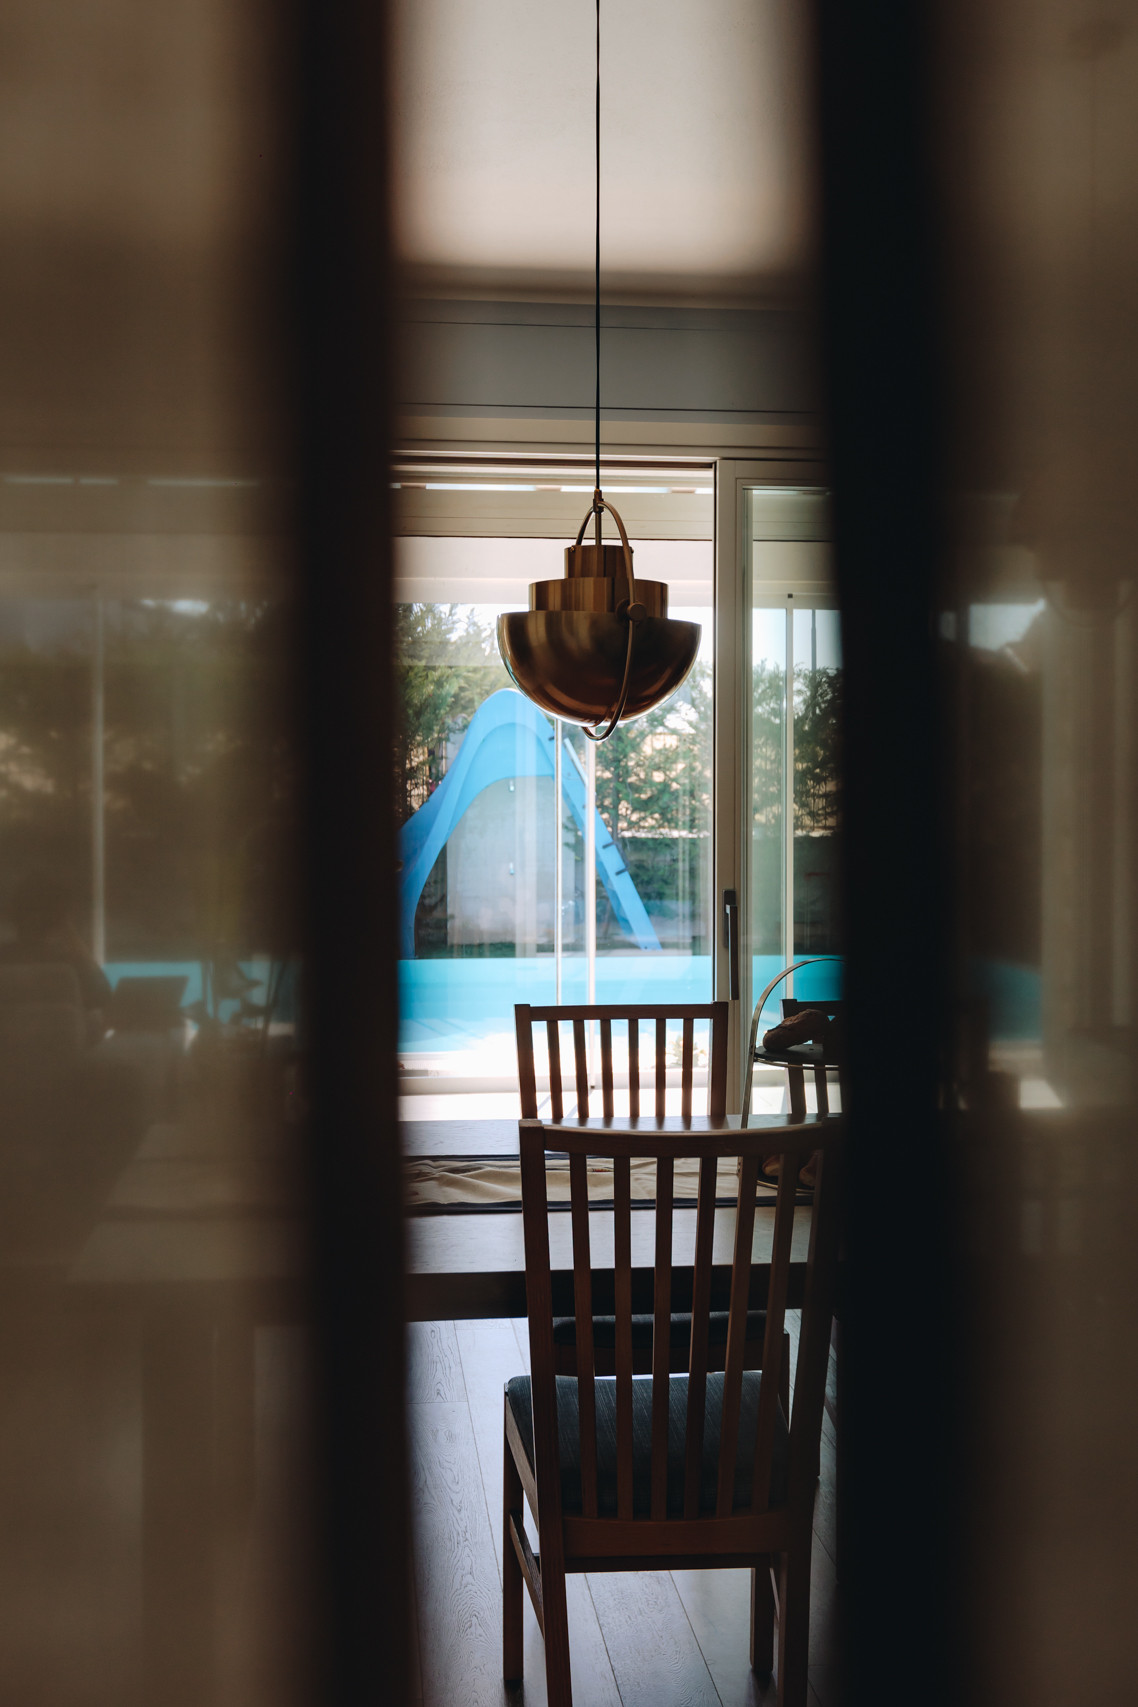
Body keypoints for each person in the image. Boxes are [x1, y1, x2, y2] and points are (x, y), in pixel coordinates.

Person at [0, 874, 112, 1042]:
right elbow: (103, 999)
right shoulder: (71, 964)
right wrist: (75, 942)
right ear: (61, 920)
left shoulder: (4, 958)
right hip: (64, 1053)